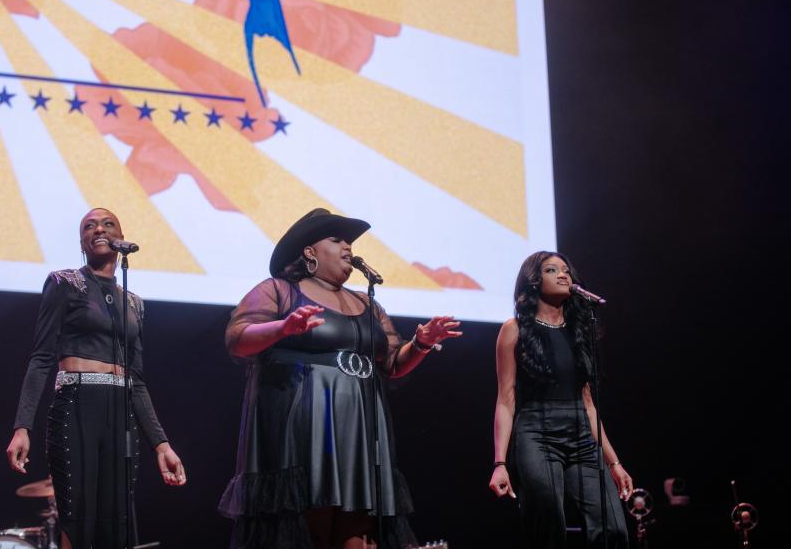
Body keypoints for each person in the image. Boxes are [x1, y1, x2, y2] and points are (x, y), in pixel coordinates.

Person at [219, 208, 462, 549]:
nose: (348, 246)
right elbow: (238, 338)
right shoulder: (280, 291)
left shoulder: (367, 303)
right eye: (336, 239)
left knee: (359, 529)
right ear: (309, 252)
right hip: (304, 429)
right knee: (312, 521)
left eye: (349, 241)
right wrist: (284, 328)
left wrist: (421, 343)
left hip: (359, 427)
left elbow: (392, 364)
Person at [6, 208, 187, 548]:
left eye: (107, 224)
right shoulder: (64, 283)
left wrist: (161, 444)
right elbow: (42, 357)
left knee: (117, 523)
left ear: (120, 237)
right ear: (82, 242)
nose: (98, 229)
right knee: (78, 519)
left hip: (120, 415)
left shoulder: (134, 303)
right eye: (89, 226)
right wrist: (22, 427)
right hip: (75, 407)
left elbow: (137, 380)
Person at [488, 251, 632, 548]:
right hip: (536, 434)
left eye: (566, 270)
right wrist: (499, 462)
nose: (563, 274)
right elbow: (505, 399)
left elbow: (590, 406)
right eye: (552, 270)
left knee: (614, 528)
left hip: (580, 432)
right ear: (533, 281)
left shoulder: (581, 331)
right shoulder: (514, 330)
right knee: (548, 524)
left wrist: (614, 462)